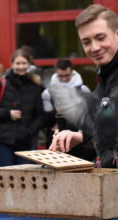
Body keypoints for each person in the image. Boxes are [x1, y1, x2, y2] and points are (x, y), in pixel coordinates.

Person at [49, 4, 118, 161]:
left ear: (117, 34)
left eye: (101, 38)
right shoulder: (105, 74)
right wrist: (77, 136)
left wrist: (80, 136)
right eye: (86, 42)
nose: (94, 47)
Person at [0, 49, 44, 166]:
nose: (21, 67)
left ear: (29, 64)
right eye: (18, 63)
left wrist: (29, 131)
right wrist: (7, 113)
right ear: (12, 64)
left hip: (24, 141)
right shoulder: (1, 83)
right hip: (1, 140)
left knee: (22, 180)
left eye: (24, 63)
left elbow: (40, 115)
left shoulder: (34, 87)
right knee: (5, 179)